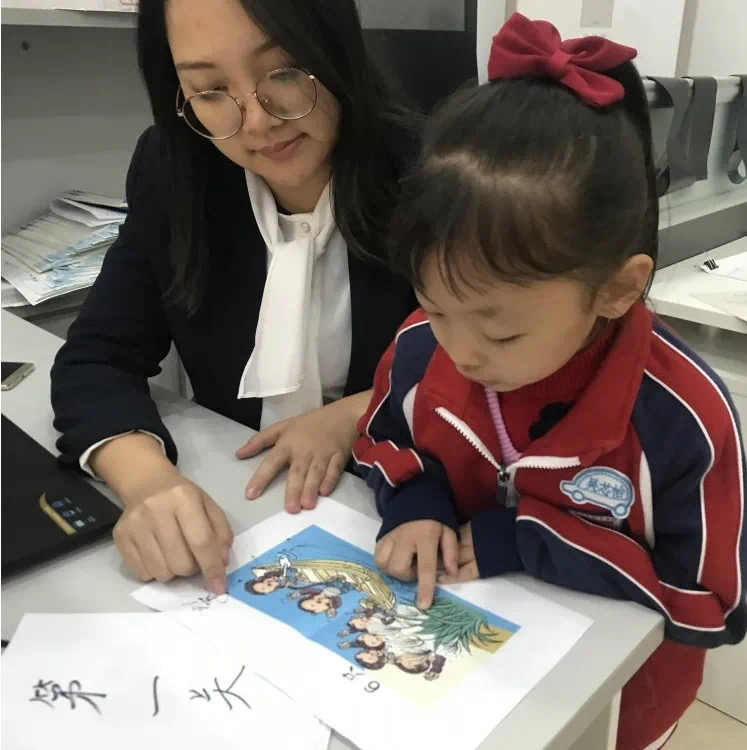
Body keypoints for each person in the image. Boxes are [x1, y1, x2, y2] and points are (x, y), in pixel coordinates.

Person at [353, 14, 746, 750]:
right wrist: (413, 500)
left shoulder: (682, 418)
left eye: (500, 333)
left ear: (615, 289)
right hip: (456, 690)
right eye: (435, 306)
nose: (460, 353)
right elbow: (381, 440)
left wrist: (530, 538)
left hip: (617, 709)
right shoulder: (420, 346)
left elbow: (712, 605)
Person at [50, 0, 418, 594]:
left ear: (336, 48)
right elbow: (97, 357)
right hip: (244, 510)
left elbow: (502, 365)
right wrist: (146, 482)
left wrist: (356, 412)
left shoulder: (436, 174)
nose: (257, 121)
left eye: (283, 71)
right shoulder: (174, 172)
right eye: (210, 90)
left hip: (401, 515)